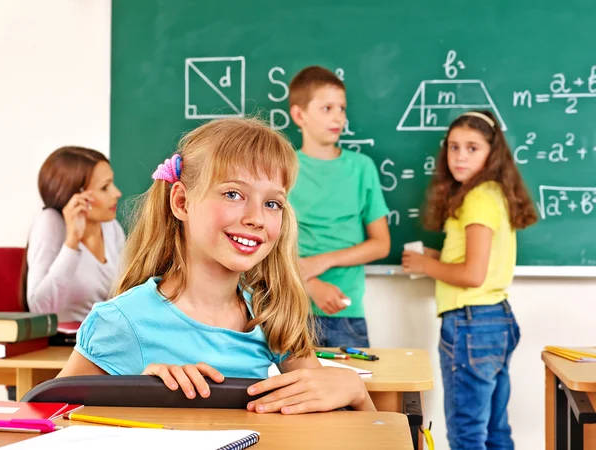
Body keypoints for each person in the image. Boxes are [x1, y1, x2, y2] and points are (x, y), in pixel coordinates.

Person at [58, 118, 375, 415]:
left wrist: (357, 392)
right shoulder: (120, 321)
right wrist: (136, 392)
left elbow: (342, 428)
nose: (256, 218)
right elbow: (43, 422)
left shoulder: (268, 314)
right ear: (182, 202)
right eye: (234, 194)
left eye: (272, 203)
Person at [402, 110, 538, 449]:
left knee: (467, 435)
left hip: (471, 322)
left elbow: (472, 274)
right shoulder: (493, 194)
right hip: (496, 319)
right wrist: (435, 259)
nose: (460, 156)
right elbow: (478, 263)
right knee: (495, 431)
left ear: (492, 152)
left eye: (472, 148)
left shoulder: (476, 199)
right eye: (453, 147)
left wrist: (424, 263)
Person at [288, 66, 390, 348]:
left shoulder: (362, 169)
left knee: (352, 389)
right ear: (299, 115)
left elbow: (381, 244)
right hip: (291, 310)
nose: (338, 117)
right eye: (327, 108)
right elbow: (267, 247)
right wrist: (310, 285)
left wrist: (325, 260)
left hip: (346, 313)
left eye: (342, 108)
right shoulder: (284, 169)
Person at [21, 146, 124, 322]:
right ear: (76, 195)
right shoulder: (50, 222)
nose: (117, 193)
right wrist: (72, 241)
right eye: (105, 187)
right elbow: (40, 308)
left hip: (107, 337)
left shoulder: (111, 227)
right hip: (64, 343)